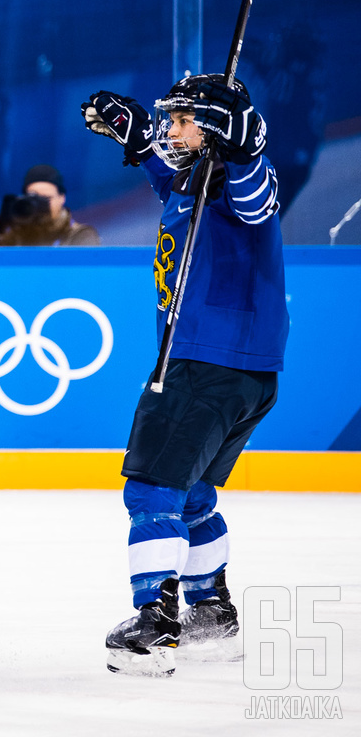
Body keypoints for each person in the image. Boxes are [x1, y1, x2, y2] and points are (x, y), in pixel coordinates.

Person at [80, 75, 286, 676]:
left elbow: (255, 200)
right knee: (192, 494)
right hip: (241, 370)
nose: (170, 130)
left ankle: (155, 623)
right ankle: (210, 612)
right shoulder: (195, 178)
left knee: (151, 491)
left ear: (216, 129)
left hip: (204, 363)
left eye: (180, 121)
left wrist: (244, 145)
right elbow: (172, 183)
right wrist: (141, 139)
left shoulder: (242, 173)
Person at [0, 164, 100, 246]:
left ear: (62, 198)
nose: (40, 205)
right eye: (33, 199)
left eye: (46, 199)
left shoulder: (80, 235)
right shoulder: (16, 235)